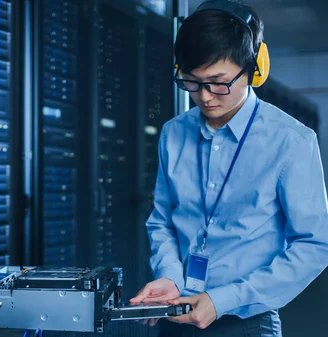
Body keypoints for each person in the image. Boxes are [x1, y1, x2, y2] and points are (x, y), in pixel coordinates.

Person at [129, 0, 328, 336]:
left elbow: (314, 246)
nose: (205, 97)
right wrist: (169, 276)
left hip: (247, 322)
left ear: (253, 68)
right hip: (176, 313)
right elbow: (162, 220)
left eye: (217, 82)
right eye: (191, 82)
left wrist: (224, 299)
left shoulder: (291, 141)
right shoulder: (173, 133)